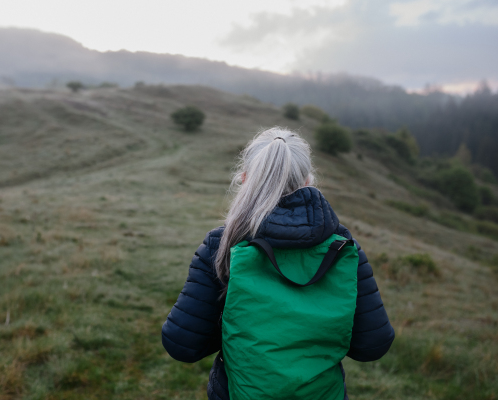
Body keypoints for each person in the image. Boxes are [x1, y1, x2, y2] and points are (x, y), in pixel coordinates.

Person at [161, 127, 395, 400]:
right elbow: (372, 345)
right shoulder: (341, 246)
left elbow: (182, 344)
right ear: (308, 181)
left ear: (244, 179)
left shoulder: (222, 244)